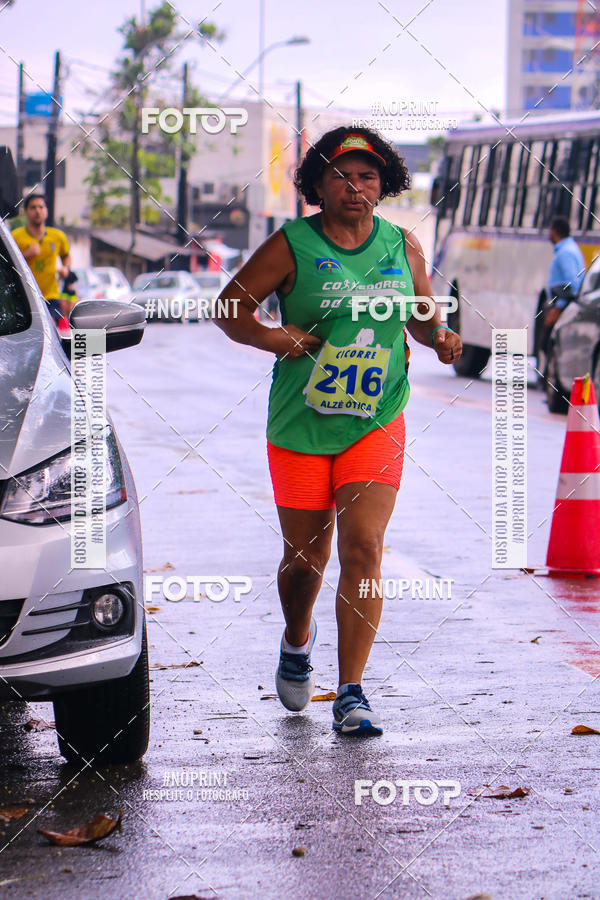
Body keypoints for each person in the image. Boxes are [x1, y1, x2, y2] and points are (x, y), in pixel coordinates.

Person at [215, 127, 462, 737]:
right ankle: (297, 641)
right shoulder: (292, 244)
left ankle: (351, 691)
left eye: (368, 176)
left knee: (363, 547)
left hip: (375, 418)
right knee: (305, 561)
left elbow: (423, 318)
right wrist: (282, 339)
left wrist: (441, 338)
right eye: (342, 176)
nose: (356, 187)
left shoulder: (403, 246)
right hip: (301, 423)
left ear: (385, 185)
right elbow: (230, 308)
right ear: (318, 186)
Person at [12, 193, 71, 326]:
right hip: (25, 299)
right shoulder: (15, 237)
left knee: (54, 332)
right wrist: (27, 253)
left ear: (46, 211)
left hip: (51, 297)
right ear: (26, 212)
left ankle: (84, 346)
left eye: (41, 207)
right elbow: (7, 264)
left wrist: (66, 268)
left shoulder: (58, 236)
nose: (37, 211)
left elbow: (66, 255)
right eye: (33, 207)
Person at [543, 216, 586, 335]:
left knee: (547, 342)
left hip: (562, 306)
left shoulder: (565, 252)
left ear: (554, 231)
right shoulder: (568, 248)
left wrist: (559, 307)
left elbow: (572, 283)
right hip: (561, 304)